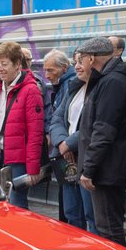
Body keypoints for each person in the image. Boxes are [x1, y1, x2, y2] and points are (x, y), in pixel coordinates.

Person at [77, 37, 126, 246]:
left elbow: (104, 129)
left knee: (109, 228)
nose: (80, 63)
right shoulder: (111, 79)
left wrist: (89, 169)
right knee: (107, 225)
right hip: (109, 167)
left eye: (82, 58)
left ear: (91, 58)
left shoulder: (112, 82)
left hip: (108, 169)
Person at [0, 40, 44, 209]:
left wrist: (32, 168)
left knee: (17, 205)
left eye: (4, 64)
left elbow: (35, 131)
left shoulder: (30, 90)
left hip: (18, 159)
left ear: (17, 64)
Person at [48, 49, 97, 232]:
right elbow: (57, 119)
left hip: (84, 157)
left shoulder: (99, 89)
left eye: (80, 62)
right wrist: (62, 143)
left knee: (91, 216)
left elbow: (92, 125)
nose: (76, 66)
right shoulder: (74, 88)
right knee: (71, 212)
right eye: (75, 62)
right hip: (66, 160)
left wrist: (69, 143)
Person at [41, 50, 74, 222]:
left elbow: (62, 118)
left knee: (71, 205)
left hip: (67, 150)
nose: (47, 75)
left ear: (64, 67)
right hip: (63, 146)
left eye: (51, 70)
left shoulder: (69, 85)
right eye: (45, 70)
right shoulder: (63, 84)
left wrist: (61, 141)